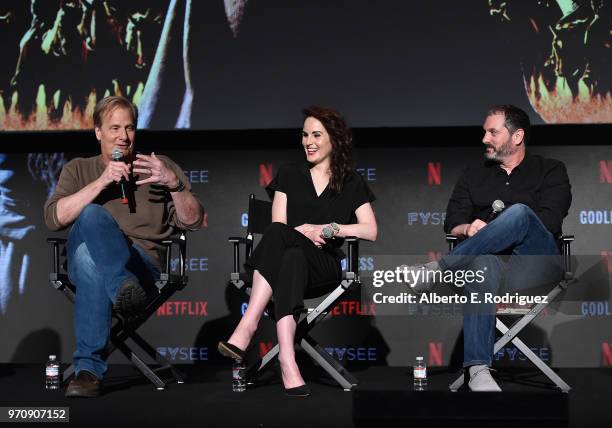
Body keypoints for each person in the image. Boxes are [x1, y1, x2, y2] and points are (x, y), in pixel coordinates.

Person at [43, 95, 204, 397]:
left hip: (141, 266)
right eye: (114, 127)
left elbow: (193, 221)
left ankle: (88, 371)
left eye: (129, 128)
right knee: (91, 215)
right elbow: (54, 218)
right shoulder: (79, 169)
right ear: (98, 132)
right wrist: (102, 182)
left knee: (91, 263)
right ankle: (122, 291)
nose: (123, 136)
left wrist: (175, 184)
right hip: (121, 280)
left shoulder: (158, 167)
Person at [407, 104, 571, 391]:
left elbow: (548, 222)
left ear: (517, 136)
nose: (484, 139)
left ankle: (437, 270)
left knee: (520, 214)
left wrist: (501, 226)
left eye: (493, 132)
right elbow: (452, 223)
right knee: (481, 265)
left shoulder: (551, 170)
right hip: (493, 268)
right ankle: (479, 370)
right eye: (484, 132)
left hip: (537, 264)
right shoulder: (474, 175)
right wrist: (469, 229)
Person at [218, 106, 377, 397]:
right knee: (289, 252)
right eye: (305, 135)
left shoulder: (351, 181)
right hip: (288, 261)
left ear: (335, 140)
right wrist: (299, 235)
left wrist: (326, 230)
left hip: (325, 265)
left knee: (282, 238)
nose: (308, 141)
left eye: (316, 134)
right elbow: (278, 225)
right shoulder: (289, 174)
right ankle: (288, 361)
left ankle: (248, 324)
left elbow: (370, 230)